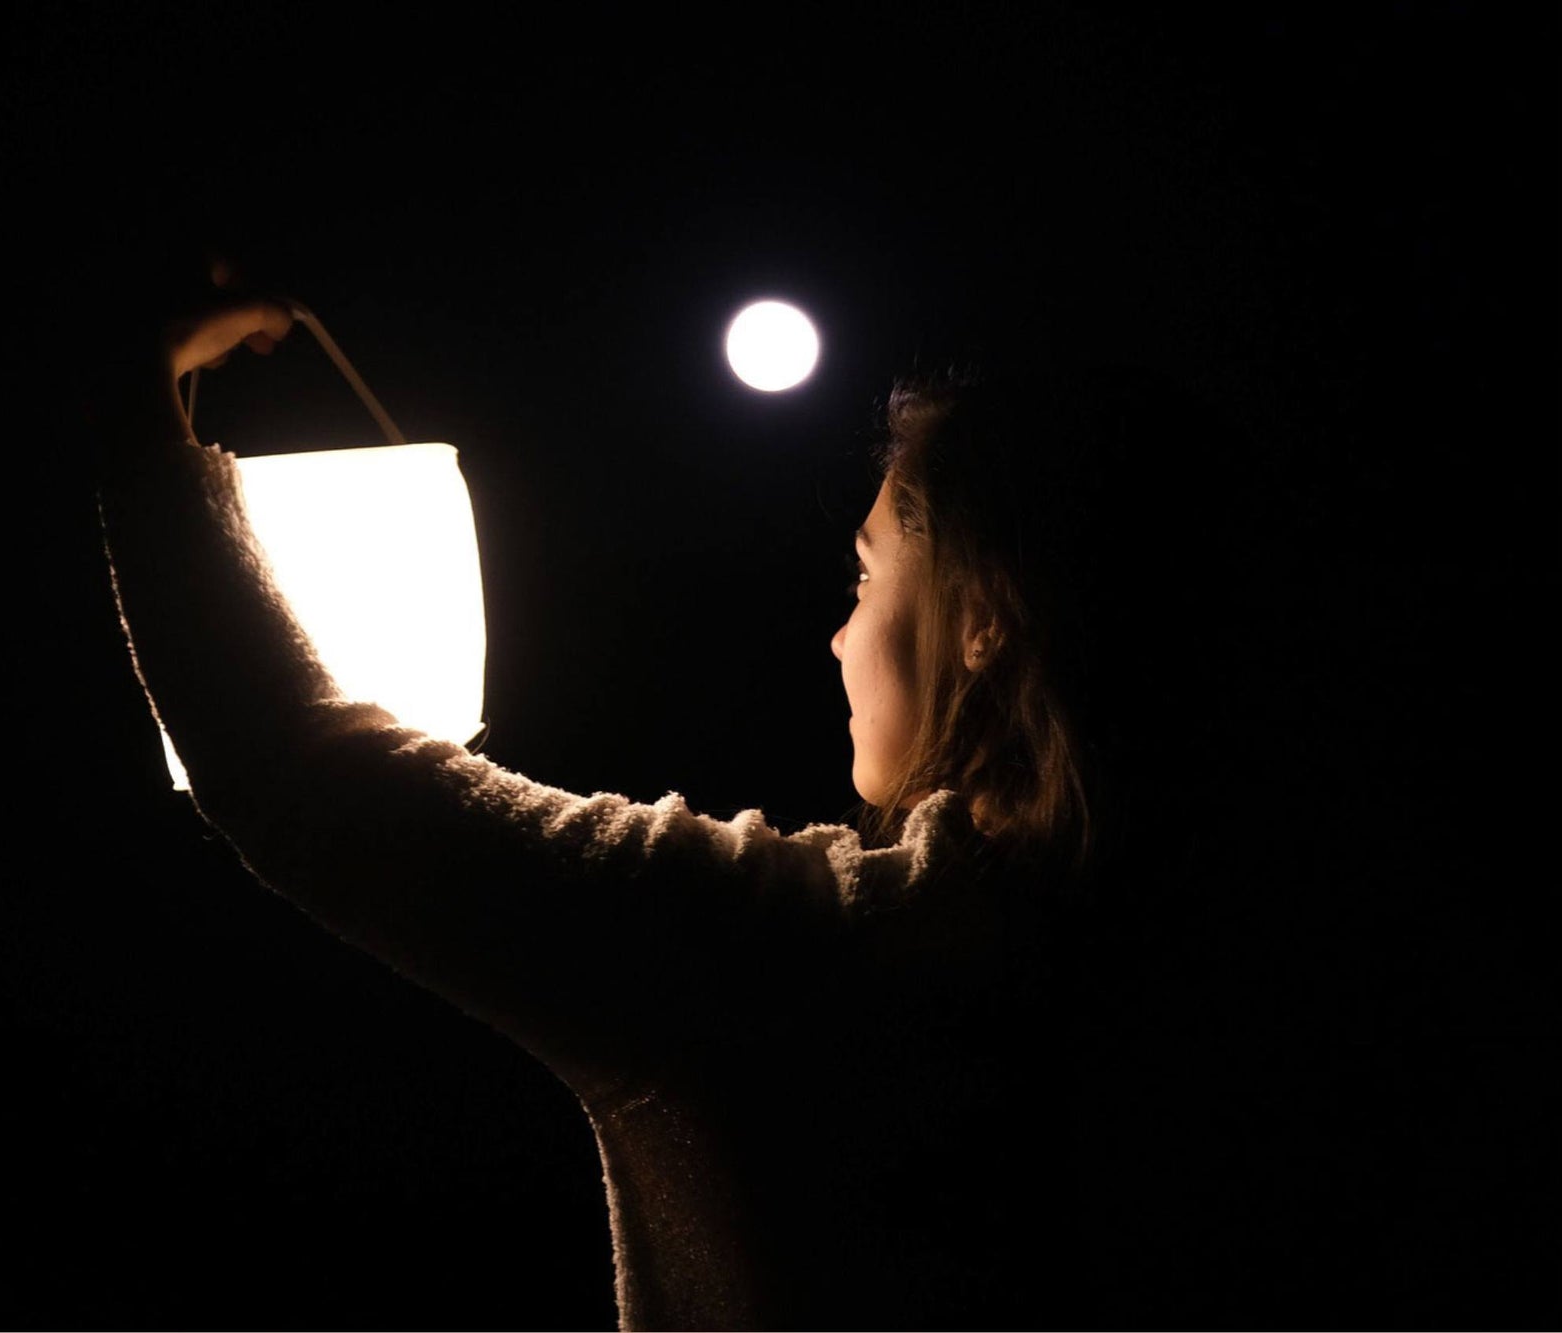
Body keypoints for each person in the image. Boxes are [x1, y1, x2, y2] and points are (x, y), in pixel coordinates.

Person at [90, 275, 1264, 1329]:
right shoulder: (1242, 956)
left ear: (985, 617)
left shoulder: (802, 959)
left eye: (864, 575)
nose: (838, 632)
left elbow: (297, 773)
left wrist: (133, 417)